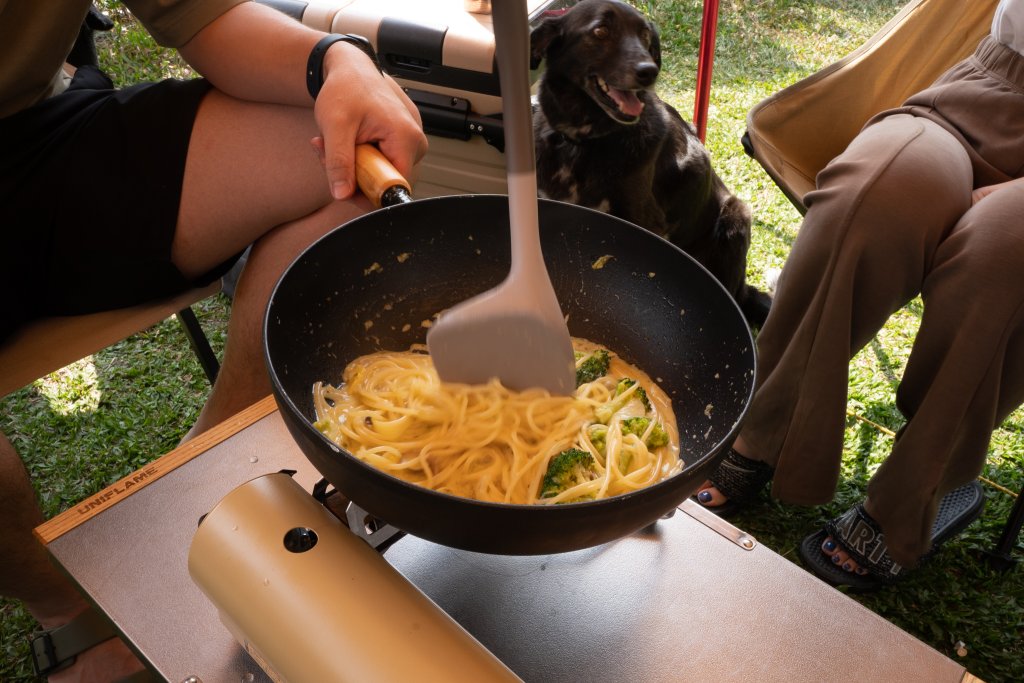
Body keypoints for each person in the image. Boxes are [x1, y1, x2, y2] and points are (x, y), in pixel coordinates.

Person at [1, 0, 428, 679]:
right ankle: (74, 619)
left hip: (34, 132)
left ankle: (206, 489)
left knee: (349, 160)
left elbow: (202, 16)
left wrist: (337, 59)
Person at [695, 0, 1024, 591]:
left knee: (1005, 253)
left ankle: (913, 497)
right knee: (872, 197)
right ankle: (764, 425)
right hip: (989, 89)